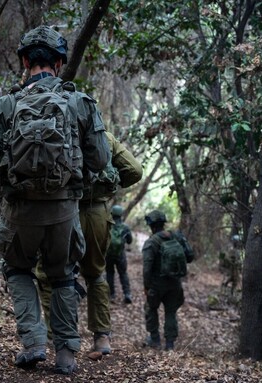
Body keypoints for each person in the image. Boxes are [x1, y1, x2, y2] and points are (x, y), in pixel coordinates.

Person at [0, 25, 110, 374]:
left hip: (20, 210)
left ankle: (34, 343)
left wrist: (8, 187)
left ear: (25, 61)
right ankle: (66, 354)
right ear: (60, 62)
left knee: (18, 269)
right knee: (63, 275)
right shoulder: (80, 102)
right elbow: (100, 160)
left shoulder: (7, 104)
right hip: (64, 210)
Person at [36, 130, 142, 355]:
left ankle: (56, 337)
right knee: (95, 274)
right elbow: (134, 170)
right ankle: (102, 337)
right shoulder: (103, 136)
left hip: (60, 211)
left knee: (49, 275)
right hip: (96, 211)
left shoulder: (51, 132)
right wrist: (106, 186)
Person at [142, 210, 195, 351]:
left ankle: (155, 339)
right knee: (171, 312)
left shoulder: (151, 242)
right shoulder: (176, 236)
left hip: (157, 285)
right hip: (175, 283)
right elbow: (189, 257)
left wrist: (147, 287)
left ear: (151, 225)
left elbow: (147, 268)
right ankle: (170, 344)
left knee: (150, 309)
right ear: (163, 223)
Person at [106, 204, 134, 304]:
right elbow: (130, 241)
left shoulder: (107, 225)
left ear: (112, 213)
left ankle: (111, 295)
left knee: (109, 274)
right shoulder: (125, 227)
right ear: (121, 214)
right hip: (120, 255)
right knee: (123, 274)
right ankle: (127, 294)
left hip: (108, 255)